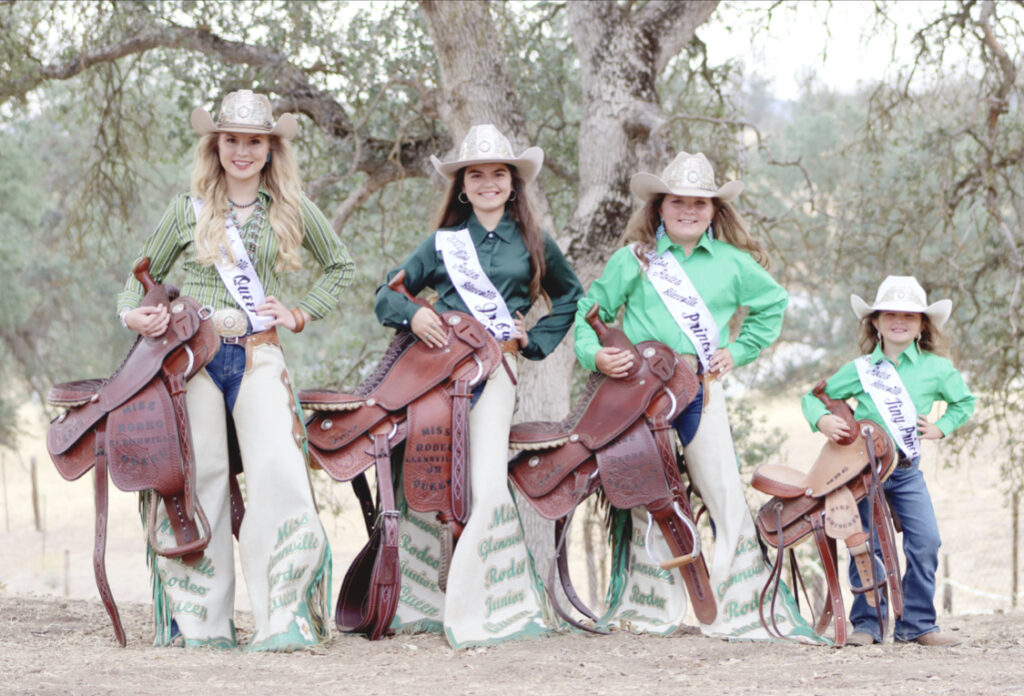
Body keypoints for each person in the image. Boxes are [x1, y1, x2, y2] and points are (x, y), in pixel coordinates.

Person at [117, 90, 354, 651]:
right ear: (215, 145)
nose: (242, 151)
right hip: (191, 356)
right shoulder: (186, 209)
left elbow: (340, 266)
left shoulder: (290, 209)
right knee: (201, 480)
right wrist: (137, 315)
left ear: (270, 149)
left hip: (258, 349)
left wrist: (299, 313)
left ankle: (285, 618)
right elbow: (138, 277)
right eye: (232, 140)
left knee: (279, 472)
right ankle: (202, 623)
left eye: (254, 141)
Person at [574, 151, 814, 640]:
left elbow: (772, 305)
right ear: (660, 207)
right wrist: (595, 357)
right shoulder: (634, 260)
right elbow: (588, 311)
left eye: (699, 203)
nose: (688, 210)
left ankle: (739, 608)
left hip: (701, 389)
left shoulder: (734, 263)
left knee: (723, 492)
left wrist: (738, 351)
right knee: (645, 496)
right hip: (640, 395)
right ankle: (649, 609)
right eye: (678, 201)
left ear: (713, 211)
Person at [374, 124, 583, 647]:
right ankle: (419, 601)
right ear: (462, 186)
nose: (488, 183)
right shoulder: (443, 243)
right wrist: (413, 316)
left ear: (513, 184)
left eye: (498, 174)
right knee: (427, 473)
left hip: (499, 368)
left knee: (487, 481)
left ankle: (479, 609)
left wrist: (532, 339)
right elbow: (386, 294)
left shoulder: (535, 242)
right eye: (476, 174)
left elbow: (571, 297)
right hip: (442, 369)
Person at [802, 275, 974, 647]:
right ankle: (868, 624)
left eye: (910, 317)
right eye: (890, 315)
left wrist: (942, 426)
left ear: (921, 326)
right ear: (875, 323)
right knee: (864, 545)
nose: (900, 321)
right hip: (863, 474)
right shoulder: (861, 368)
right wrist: (822, 419)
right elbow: (813, 397)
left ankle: (918, 624)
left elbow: (965, 402)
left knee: (926, 541)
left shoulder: (937, 368)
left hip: (907, 473)